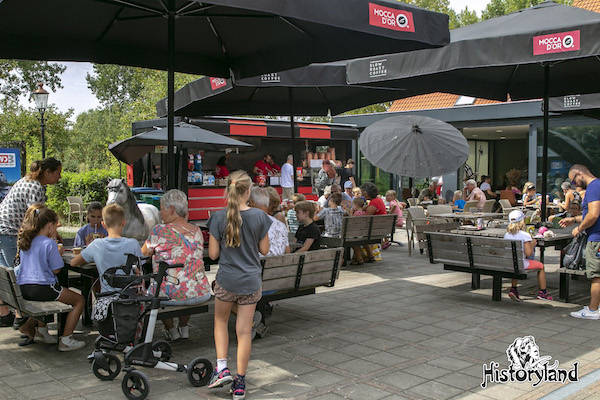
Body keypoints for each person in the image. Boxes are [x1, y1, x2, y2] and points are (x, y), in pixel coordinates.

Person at [207, 171, 271, 398]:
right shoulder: (260, 217)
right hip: (251, 282)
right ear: (248, 191)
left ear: (228, 190)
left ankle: (222, 367)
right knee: (244, 332)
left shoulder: (216, 217)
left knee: (220, 321)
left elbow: (213, 255)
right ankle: (240, 383)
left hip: (226, 280)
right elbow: (264, 250)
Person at [138, 190, 211, 340]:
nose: (160, 212)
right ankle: (184, 328)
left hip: (171, 295)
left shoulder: (159, 230)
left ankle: (171, 331)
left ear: (172, 209)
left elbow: (143, 253)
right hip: (199, 292)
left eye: (162, 208)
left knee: (158, 285)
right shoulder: (197, 230)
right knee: (188, 276)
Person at [0, 157, 62, 327]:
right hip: (10, 231)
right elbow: (37, 219)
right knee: (16, 273)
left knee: (5, 275)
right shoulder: (36, 187)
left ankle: (6, 314)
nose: (60, 177)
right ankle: (22, 318)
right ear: (47, 172)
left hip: (2, 228)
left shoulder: (27, 180)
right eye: (58, 173)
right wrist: (52, 236)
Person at [16, 204, 85, 351]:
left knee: (59, 293)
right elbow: (57, 269)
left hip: (25, 288)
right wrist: (57, 251)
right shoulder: (49, 243)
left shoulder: (27, 241)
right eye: (55, 225)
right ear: (49, 226)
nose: (56, 228)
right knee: (79, 300)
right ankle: (66, 340)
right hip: (43, 288)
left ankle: (40, 332)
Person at [71, 203, 142, 293]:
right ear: (124, 222)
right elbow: (140, 269)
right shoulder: (134, 244)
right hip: (130, 298)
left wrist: (89, 250)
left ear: (103, 224)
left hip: (107, 298)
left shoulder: (96, 244)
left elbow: (73, 263)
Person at [560, 165, 600, 319]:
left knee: (595, 276)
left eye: (573, 180)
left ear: (579, 174)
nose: (575, 184)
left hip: (596, 238)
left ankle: (592, 310)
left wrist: (579, 228)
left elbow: (594, 214)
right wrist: (574, 219)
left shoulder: (593, 186)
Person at [504, 210, 552, 301]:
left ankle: (513, 289)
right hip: (521, 263)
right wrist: (533, 244)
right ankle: (543, 292)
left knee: (516, 264)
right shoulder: (525, 235)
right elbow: (528, 253)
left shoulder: (506, 235)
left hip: (510, 262)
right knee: (541, 266)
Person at [250, 187, 289, 256]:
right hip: (281, 265)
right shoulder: (281, 225)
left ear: (252, 203)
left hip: (259, 265)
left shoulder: (252, 223)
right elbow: (287, 251)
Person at [350, 198, 367, 264]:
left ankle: (359, 258)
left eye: (353, 205)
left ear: (356, 205)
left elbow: (351, 222)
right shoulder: (364, 212)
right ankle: (357, 258)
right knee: (355, 242)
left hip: (357, 234)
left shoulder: (357, 213)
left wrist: (351, 213)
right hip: (363, 233)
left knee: (353, 242)